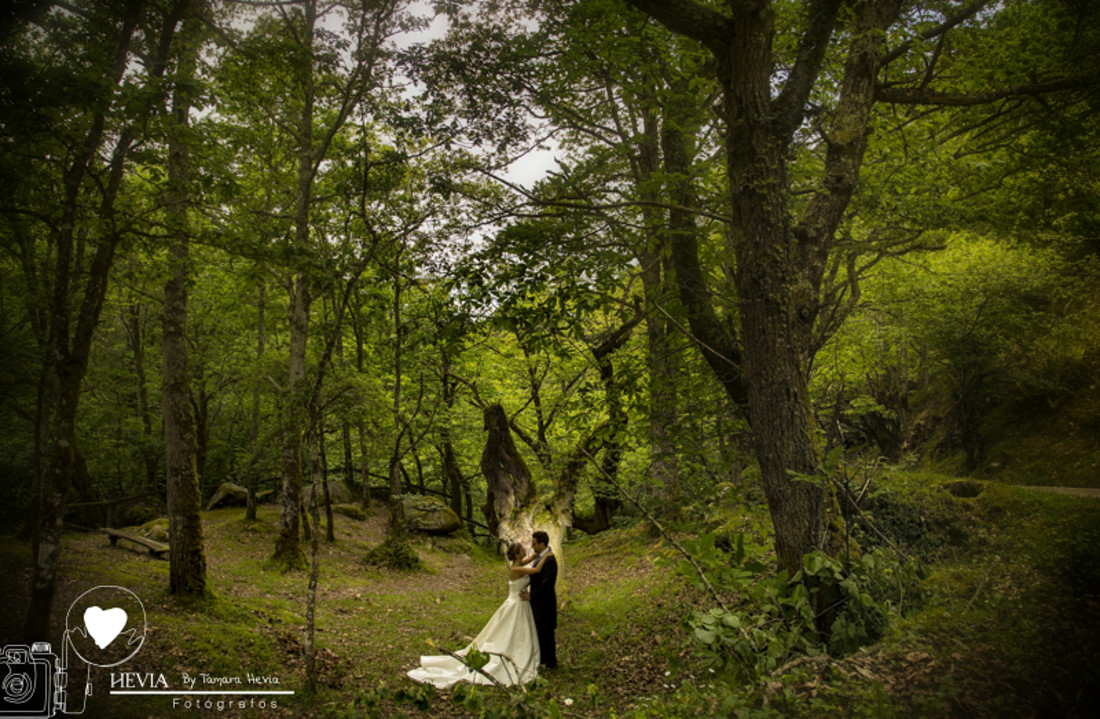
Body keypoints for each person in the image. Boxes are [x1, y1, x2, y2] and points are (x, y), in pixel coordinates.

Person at [407, 543, 552, 688]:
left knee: (517, 631)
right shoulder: (516, 568)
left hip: (520, 603)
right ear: (516, 555)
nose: (525, 551)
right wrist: (546, 556)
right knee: (510, 631)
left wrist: (537, 554)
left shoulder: (519, 563)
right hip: (516, 604)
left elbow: (531, 558)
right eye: (522, 550)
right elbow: (536, 569)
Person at [520, 530, 557, 670]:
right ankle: (543, 660)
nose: (532, 546)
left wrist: (532, 595)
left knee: (547, 632)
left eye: (534, 543)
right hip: (537, 603)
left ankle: (551, 663)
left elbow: (547, 584)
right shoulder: (539, 557)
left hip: (545, 603)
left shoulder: (550, 560)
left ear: (542, 544)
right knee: (539, 631)